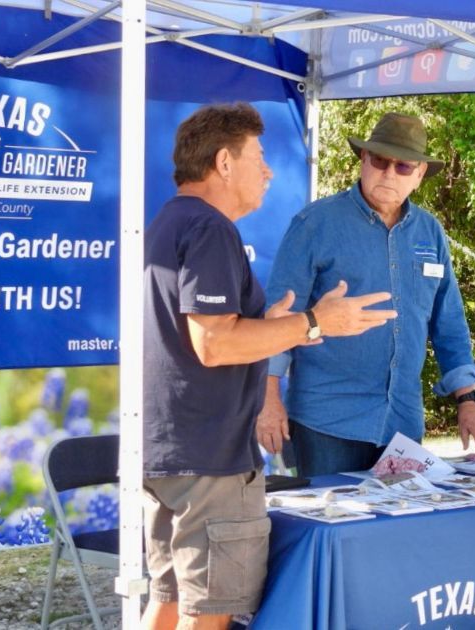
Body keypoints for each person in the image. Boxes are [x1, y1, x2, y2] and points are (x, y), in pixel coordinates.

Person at [142, 103, 396, 630]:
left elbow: (214, 332)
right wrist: (313, 323)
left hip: (172, 448)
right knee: (206, 613)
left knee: (167, 602)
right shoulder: (210, 228)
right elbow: (213, 343)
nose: (269, 169)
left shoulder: (173, 219)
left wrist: (271, 323)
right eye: (258, 155)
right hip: (209, 457)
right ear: (224, 163)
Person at [258, 112, 475, 477]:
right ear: (363, 160)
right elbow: (277, 316)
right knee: (334, 528)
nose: (389, 173)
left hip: (401, 423)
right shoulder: (314, 225)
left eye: (403, 166)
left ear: (419, 175)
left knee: (395, 532)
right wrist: (268, 398)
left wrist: (468, 402)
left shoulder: (430, 233)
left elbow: (448, 323)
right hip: (326, 422)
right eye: (380, 161)